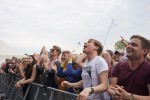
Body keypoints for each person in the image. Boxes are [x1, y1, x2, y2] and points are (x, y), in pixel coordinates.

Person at [107, 35, 150, 100]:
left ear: (144, 51)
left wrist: (130, 97)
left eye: (134, 45)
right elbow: (111, 87)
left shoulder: (148, 68)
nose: (128, 46)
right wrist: (114, 93)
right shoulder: (119, 65)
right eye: (128, 44)